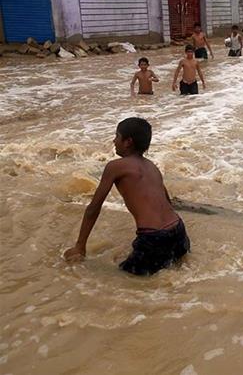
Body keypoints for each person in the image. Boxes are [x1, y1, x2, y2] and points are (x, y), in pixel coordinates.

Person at [63, 118, 190, 275]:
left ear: (128, 142)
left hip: (153, 237)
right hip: (178, 231)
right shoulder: (152, 167)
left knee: (120, 279)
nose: (114, 140)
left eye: (117, 136)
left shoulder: (115, 166)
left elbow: (94, 208)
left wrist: (80, 246)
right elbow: (167, 201)